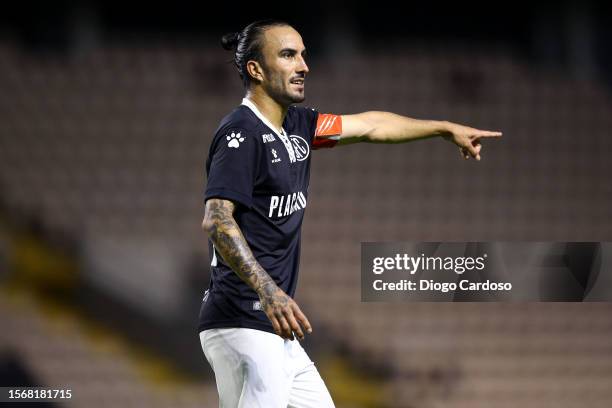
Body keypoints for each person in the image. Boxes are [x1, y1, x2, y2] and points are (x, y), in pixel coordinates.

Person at [198, 19, 501, 408]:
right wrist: (268, 290)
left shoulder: (298, 127)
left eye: (303, 55)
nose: (303, 65)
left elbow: (372, 125)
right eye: (288, 55)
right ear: (255, 70)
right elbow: (217, 219)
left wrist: (442, 128)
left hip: (274, 328)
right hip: (244, 319)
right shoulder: (241, 134)